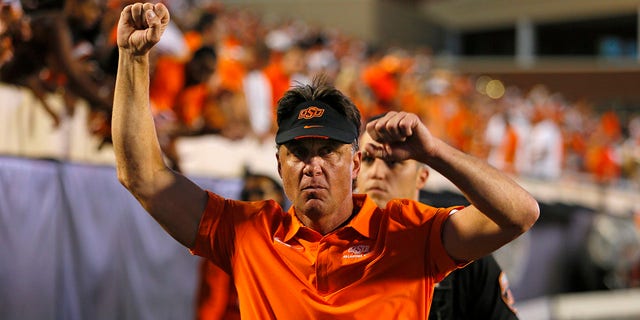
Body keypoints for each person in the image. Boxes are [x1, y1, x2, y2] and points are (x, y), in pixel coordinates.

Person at [112, 3, 539, 319]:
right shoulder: (248, 233)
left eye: (328, 152)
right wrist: (133, 60)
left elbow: (519, 214)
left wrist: (435, 151)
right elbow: (143, 176)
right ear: (280, 166)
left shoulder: (409, 233)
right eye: (298, 153)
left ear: (353, 165)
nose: (312, 165)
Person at [356, 115, 519, 319]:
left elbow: (521, 213)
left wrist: (433, 151)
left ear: (421, 177)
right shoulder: (331, 241)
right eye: (369, 160)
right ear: (355, 168)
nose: (377, 173)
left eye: (392, 162)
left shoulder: (459, 246)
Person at [195, 170, 287, 320]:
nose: (252, 197)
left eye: (259, 191)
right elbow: (211, 301)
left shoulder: (294, 239)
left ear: (280, 196)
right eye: (246, 193)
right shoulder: (229, 239)